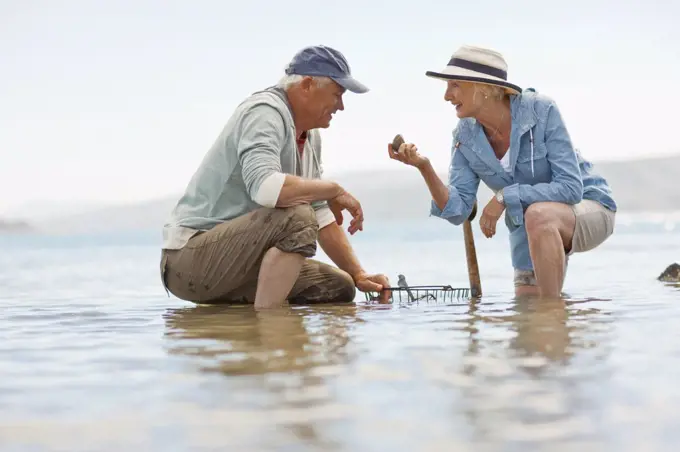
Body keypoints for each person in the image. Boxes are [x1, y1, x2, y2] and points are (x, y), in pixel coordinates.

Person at [160, 45, 390, 309]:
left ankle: (240, 328)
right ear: (306, 85)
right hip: (190, 261)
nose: (341, 106)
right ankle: (272, 333)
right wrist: (334, 189)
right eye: (337, 95)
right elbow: (267, 189)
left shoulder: (310, 135)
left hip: (241, 262)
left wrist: (359, 274)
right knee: (298, 216)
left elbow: (321, 214)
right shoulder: (265, 112)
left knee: (339, 287)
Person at [388, 45, 616, 299]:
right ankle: (552, 327)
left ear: (484, 88)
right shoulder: (464, 135)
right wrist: (424, 167)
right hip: (528, 228)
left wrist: (505, 197)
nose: (446, 96)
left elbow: (571, 189)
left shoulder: (541, 110)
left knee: (539, 218)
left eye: (454, 85)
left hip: (588, 208)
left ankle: (552, 317)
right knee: (525, 318)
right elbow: (457, 209)